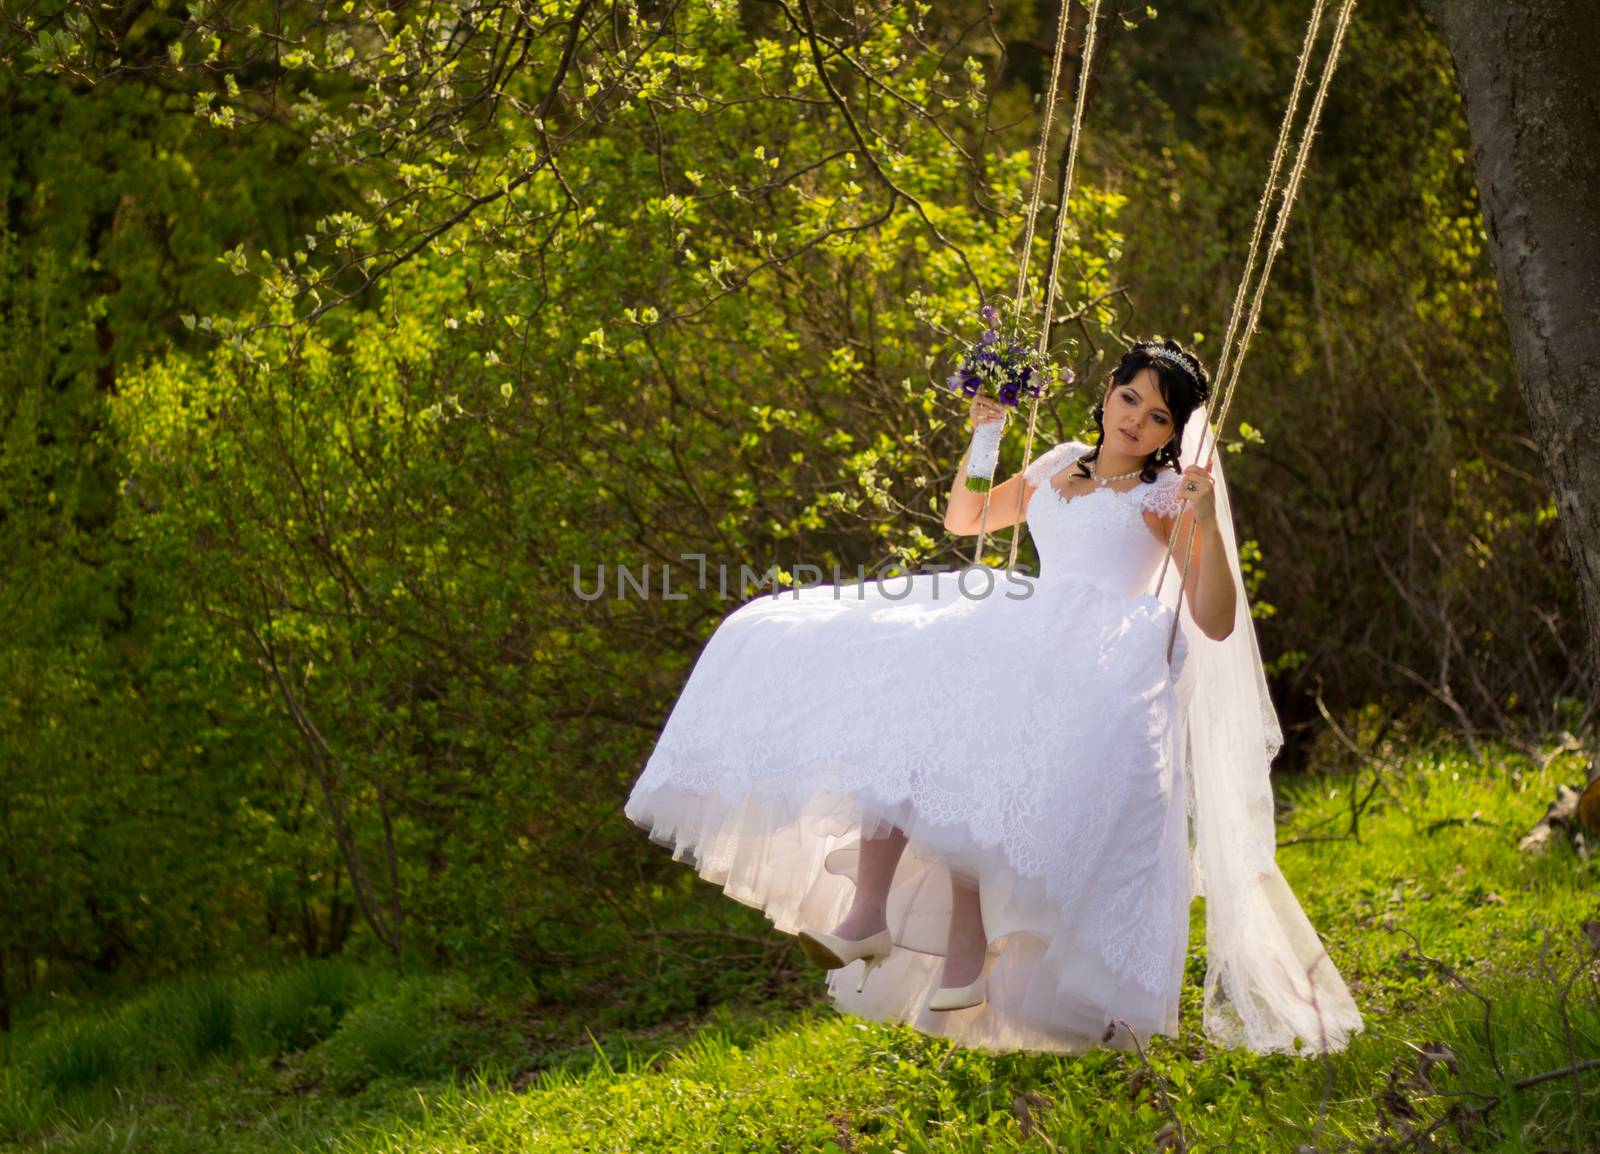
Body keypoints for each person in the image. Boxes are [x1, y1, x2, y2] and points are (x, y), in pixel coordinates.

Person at [624, 339, 1363, 1055]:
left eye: (1159, 416)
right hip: (1028, 627)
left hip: (1094, 659)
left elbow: (1215, 619)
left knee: (965, 742)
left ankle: (962, 946)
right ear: (1107, 393)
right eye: (1129, 397)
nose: (1136, 418)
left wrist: (1201, 521)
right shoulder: (1054, 467)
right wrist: (986, 440)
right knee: (919, 708)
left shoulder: (1163, 497)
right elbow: (968, 519)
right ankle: (871, 915)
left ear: (1172, 436)